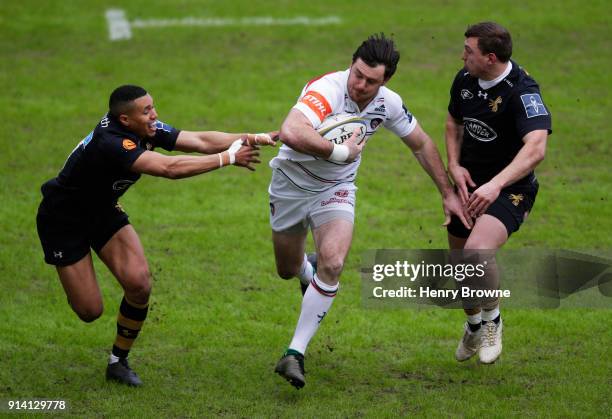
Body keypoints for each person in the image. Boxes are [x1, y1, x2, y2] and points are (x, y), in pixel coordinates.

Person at [36, 85, 276, 386]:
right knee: (89, 310)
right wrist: (227, 159)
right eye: (146, 111)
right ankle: (75, 279)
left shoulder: (145, 129)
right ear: (125, 120)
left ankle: (118, 362)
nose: (155, 115)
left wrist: (252, 137)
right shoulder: (110, 142)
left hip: (102, 211)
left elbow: (199, 140)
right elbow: (169, 168)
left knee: (139, 283)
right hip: (63, 218)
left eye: (153, 107)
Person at [269, 34, 470, 389]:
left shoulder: (388, 103)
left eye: (371, 81)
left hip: (337, 189)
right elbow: (290, 131)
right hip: (291, 185)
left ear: (386, 80)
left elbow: (421, 144)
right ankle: (306, 270)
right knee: (287, 270)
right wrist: (340, 153)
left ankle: (294, 353)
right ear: (352, 64)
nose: (361, 85)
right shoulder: (327, 90)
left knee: (334, 262)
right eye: (357, 74)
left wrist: (447, 193)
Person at [445, 22, 551, 364]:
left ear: (490, 58)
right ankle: (474, 326)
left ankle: (493, 323)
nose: (463, 55)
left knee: (477, 252)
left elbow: (536, 148)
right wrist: (454, 164)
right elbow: (452, 123)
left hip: (510, 188)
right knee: (462, 271)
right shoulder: (464, 80)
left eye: (469, 51)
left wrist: (496, 184)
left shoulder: (522, 91)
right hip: (471, 186)